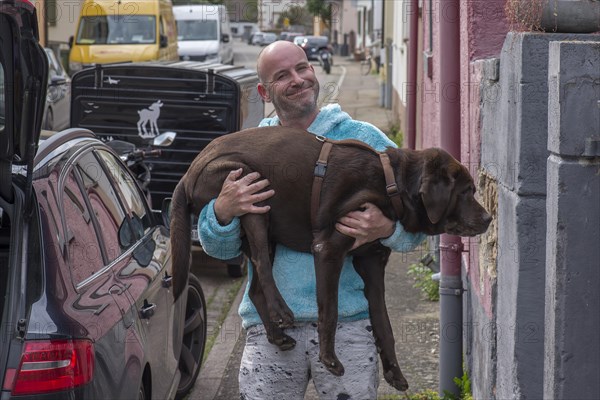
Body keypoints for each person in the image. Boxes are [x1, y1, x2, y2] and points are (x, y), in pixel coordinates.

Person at [198, 40, 425, 400]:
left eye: (302, 68)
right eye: (283, 75)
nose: (298, 79)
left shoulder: (365, 140)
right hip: (269, 329)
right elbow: (221, 250)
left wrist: (387, 229)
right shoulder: (252, 149)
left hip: (349, 326)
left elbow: (417, 232)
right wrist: (223, 211)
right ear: (264, 91)